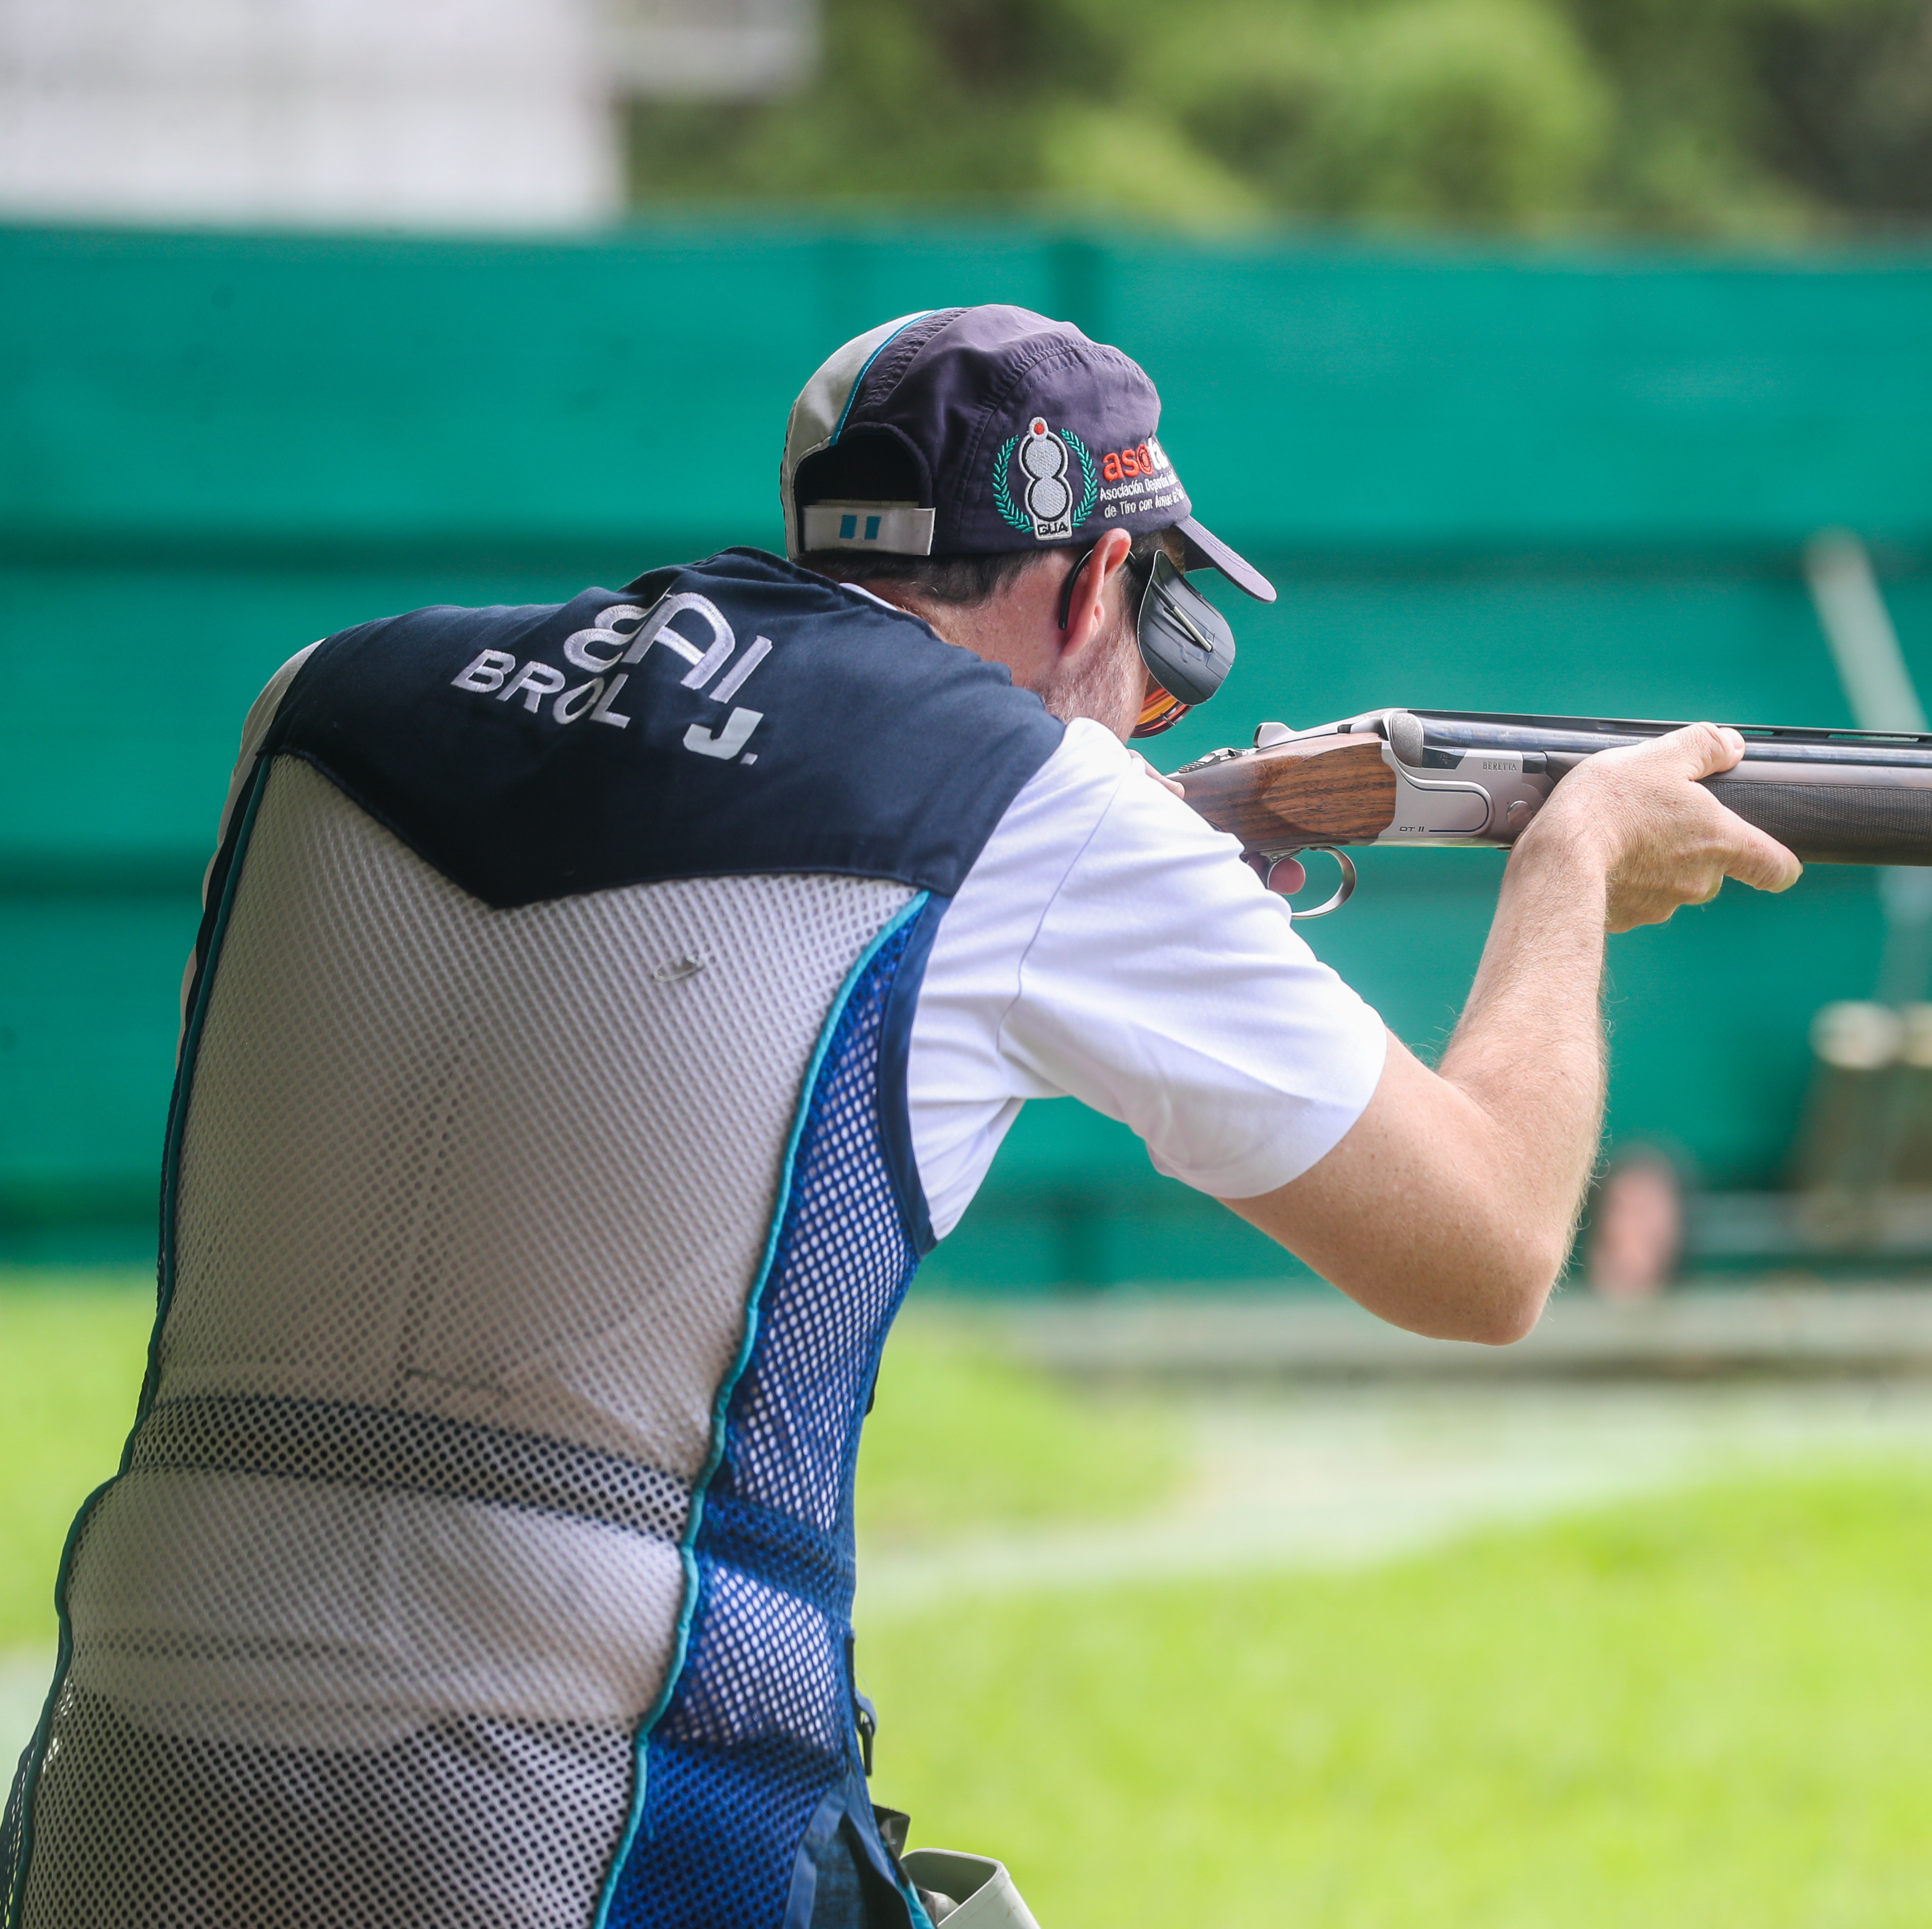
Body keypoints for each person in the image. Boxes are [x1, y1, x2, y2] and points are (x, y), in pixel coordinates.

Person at [0, 305, 1798, 1929]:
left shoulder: (319, 702)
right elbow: (1487, 1250)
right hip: (587, 1812)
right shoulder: (1049, 801)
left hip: (122, 1778)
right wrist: (1571, 872)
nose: (1147, 712)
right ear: (1096, 588)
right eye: (1157, 654)